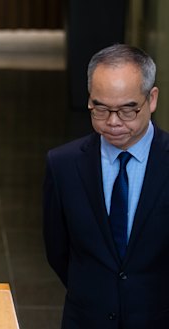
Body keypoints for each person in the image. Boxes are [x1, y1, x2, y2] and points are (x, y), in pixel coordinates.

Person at [43, 44, 169, 328]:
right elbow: (57, 250)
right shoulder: (63, 164)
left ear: (152, 99)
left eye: (127, 110)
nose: (112, 122)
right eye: (100, 108)